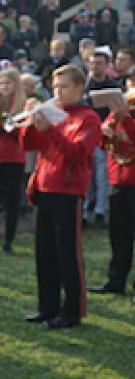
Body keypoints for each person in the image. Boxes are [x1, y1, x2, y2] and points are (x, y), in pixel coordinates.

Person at [21, 66, 103, 328]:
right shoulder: (53, 113)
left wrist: (50, 130)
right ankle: (48, 306)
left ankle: (72, 311)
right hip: (44, 188)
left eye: (64, 87)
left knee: (67, 253)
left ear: (79, 88)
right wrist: (33, 122)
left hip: (68, 192)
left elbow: (77, 153)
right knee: (44, 252)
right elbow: (28, 145)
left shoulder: (88, 118)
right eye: (55, 87)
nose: (58, 92)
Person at [93, 80, 135, 296]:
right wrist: (105, 130)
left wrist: (125, 121)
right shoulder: (122, 110)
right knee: (118, 235)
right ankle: (115, 281)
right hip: (118, 179)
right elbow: (104, 145)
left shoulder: (125, 114)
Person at [0, 69, 27, 254]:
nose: (4, 87)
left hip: (13, 158)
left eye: (8, 83)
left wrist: (10, 124)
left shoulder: (23, 105)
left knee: (11, 201)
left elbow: (23, 134)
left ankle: (8, 243)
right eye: (1, 83)